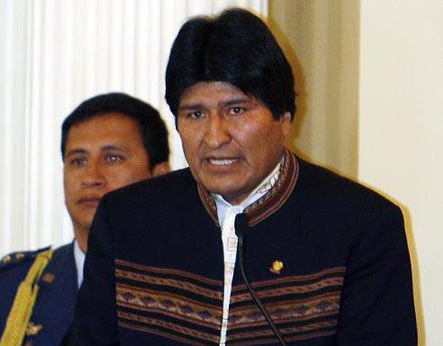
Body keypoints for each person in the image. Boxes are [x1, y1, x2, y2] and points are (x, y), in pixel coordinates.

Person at [67, 8, 417, 345]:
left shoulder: (363, 226)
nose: (215, 136)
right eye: (195, 114)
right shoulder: (126, 220)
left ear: (283, 116)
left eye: (236, 110)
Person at [0, 92, 170, 345]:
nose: (90, 177)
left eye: (112, 158)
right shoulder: (15, 287)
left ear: (159, 176)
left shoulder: (194, 285)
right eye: (78, 161)